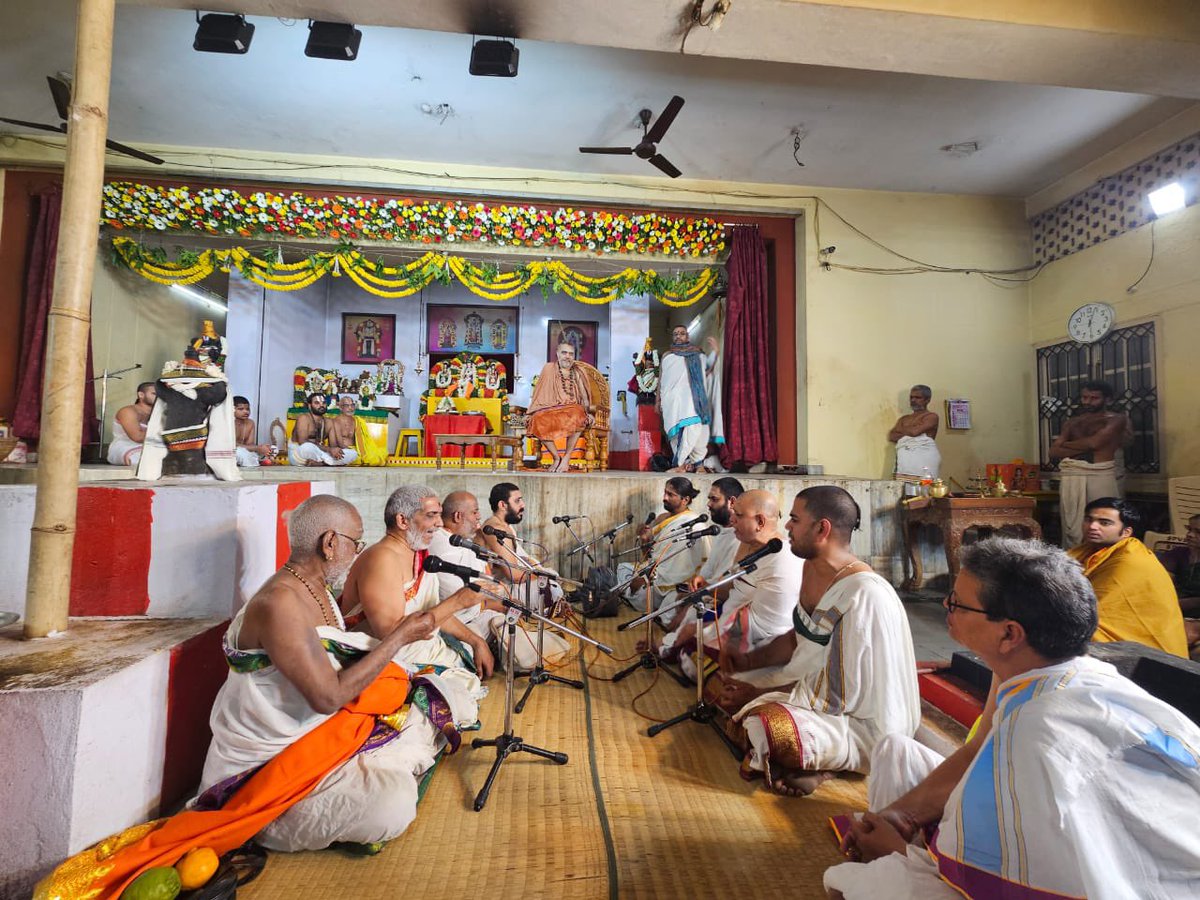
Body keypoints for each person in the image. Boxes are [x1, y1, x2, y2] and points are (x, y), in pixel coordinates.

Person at [35, 495, 485, 897]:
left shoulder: (318, 589)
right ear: (330, 543)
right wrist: (401, 634)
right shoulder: (279, 604)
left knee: (424, 709)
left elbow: (336, 647)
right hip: (265, 764)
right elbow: (326, 697)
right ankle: (262, 821)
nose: (357, 551)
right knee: (392, 806)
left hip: (314, 738)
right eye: (354, 542)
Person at [825, 537, 1200, 900]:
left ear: (1009, 634)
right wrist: (899, 817)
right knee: (895, 751)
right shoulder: (1045, 672)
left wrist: (898, 854)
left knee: (861, 882)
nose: (946, 606)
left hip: (1143, 882)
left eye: (957, 603)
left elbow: (1039, 880)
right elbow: (978, 750)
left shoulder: (1039, 727)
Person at [715, 486, 920, 796]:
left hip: (856, 721)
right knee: (720, 688)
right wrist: (747, 662)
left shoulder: (864, 594)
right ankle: (803, 761)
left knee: (772, 731)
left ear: (822, 528)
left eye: (795, 520)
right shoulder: (811, 567)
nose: (786, 526)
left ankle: (827, 768)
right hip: (806, 688)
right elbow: (798, 638)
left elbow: (840, 693)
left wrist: (758, 694)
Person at [341, 485, 495, 681]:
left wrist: (476, 642)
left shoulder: (418, 554)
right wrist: (458, 602)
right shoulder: (382, 558)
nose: (440, 523)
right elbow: (392, 636)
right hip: (385, 664)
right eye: (431, 515)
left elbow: (430, 611)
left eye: (439, 515)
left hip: (422, 651)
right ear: (402, 521)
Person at [672, 490, 803, 686]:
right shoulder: (747, 544)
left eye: (739, 515)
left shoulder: (781, 559)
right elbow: (735, 588)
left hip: (755, 641)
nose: (731, 520)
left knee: (699, 662)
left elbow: (768, 626)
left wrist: (712, 631)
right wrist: (708, 588)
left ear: (760, 522)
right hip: (730, 623)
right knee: (686, 637)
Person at [435, 489, 568, 670]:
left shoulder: (463, 540)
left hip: (484, 605)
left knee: (517, 634)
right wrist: (500, 604)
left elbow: (514, 564)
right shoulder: (446, 547)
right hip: (461, 619)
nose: (478, 517)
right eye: (474, 512)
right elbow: (461, 599)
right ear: (458, 516)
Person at [1066, 497, 1188, 657]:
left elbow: (1103, 612)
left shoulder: (1130, 559)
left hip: (1145, 648)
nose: (1092, 526)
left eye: (1105, 523)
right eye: (1089, 520)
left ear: (1126, 532)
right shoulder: (1085, 551)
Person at [1049, 380, 1132, 547]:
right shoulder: (1072, 422)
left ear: (1107, 400)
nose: (1087, 402)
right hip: (1072, 476)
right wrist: (1085, 446)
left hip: (1100, 475)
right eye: (1085, 397)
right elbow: (1053, 452)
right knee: (1073, 526)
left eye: (1094, 398)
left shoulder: (1116, 419)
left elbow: (1095, 443)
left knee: (1105, 519)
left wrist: (1067, 445)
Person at [626, 476, 711, 618]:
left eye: (670, 495)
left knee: (638, 588)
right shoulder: (662, 518)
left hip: (669, 581)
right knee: (622, 568)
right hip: (653, 570)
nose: (664, 498)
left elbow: (698, 563)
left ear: (686, 499)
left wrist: (648, 578)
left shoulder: (695, 525)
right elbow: (649, 555)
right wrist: (644, 541)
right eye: (664, 493)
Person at [481, 482, 567, 614]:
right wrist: (540, 575)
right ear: (502, 505)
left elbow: (521, 558)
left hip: (511, 581)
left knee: (553, 578)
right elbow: (514, 575)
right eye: (517, 501)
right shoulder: (496, 529)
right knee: (553, 587)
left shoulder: (506, 526)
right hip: (498, 589)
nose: (523, 505)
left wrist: (540, 570)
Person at [657, 325, 721, 472]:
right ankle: (691, 465)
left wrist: (716, 352)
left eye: (682, 333)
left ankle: (681, 464)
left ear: (688, 337)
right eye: (675, 334)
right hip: (671, 402)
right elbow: (662, 380)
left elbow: (707, 371)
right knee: (675, 435)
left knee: (695, 429)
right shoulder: (667, 356)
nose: (678, 336)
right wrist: (658, 401)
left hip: (693, 400)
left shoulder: (698, 355)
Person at [526, 341, 594, 473]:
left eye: (571, 354)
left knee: (578, 414)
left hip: (571, 409)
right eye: (564, 353)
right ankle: (556, 458)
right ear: (557, 354)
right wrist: (530, 413)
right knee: (537, 419)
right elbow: (539, 393)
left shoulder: (578, 372)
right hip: (550, 408)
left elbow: (584, 396)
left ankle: (566, 458)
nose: (567, 356)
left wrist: (589, 412)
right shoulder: (548, 368)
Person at [1158, 513, 1200, 655]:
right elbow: (1160, 583)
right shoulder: (1178, 554)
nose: (1190, 535)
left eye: (1198, 532)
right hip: (1173, 611)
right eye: (1190, 529)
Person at [288, 392, 358, 467]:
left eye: (324, 403)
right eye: (317, 403)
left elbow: (333, 446)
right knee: (307, 447)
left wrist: (336, 451)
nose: (321, 405)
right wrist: (329, 450)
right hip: (300, 455)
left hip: (320, 453)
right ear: (309, 405)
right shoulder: (304, 418)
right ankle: (327, 462)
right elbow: (302, 442)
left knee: (353, 453)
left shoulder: (329, 422)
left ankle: (320, 463)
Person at [887, 384, 939, 481]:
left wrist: (904, 431)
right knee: (904, 491)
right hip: (905, 460)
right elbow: (892, 436)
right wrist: (911, 431)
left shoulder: (931, 416)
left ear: (927, 400)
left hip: (925, 460)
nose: (913, 400)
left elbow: (915, 432)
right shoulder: (904, 419)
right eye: (911, 397)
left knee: (925, 492)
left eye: (917, 397)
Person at [107, 381, 155, 466]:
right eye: (154, 393)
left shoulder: (160, 413)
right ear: (141, 395)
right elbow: (137, 437)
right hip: (125, 447)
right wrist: (164, 432)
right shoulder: (128, 411)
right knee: (150, 458)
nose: (158, 397)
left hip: (151, 446)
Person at [233, 395, 271, 467]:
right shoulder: (229, 423)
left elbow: (250, 445)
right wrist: (258, 448)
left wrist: (262, 448)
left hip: (245, 451)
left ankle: (260, 459)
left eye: (247, 409)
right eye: (241, 409)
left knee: (273, 449)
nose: (246, 412)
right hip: (231, 451)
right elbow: (233, 445)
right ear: (232, 409)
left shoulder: (250, 423)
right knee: (242, 453)